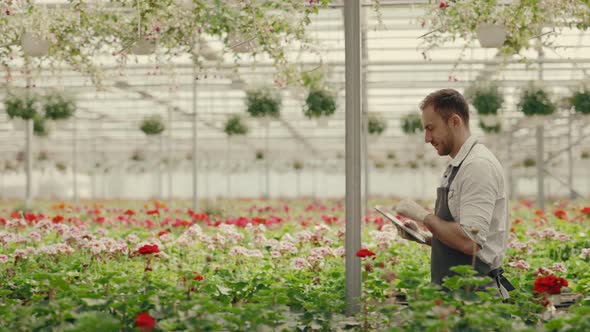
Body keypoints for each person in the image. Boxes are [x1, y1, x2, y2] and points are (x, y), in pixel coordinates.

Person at [395, 88, 514, 299]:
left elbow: (470, 242)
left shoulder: (477, 166)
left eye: (431, 128)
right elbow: (462, 235)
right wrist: (423, 237)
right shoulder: (458, 165)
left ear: (454, 121)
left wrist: (422, 216)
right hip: (458, 293)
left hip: (475, 297)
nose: (427, 138)